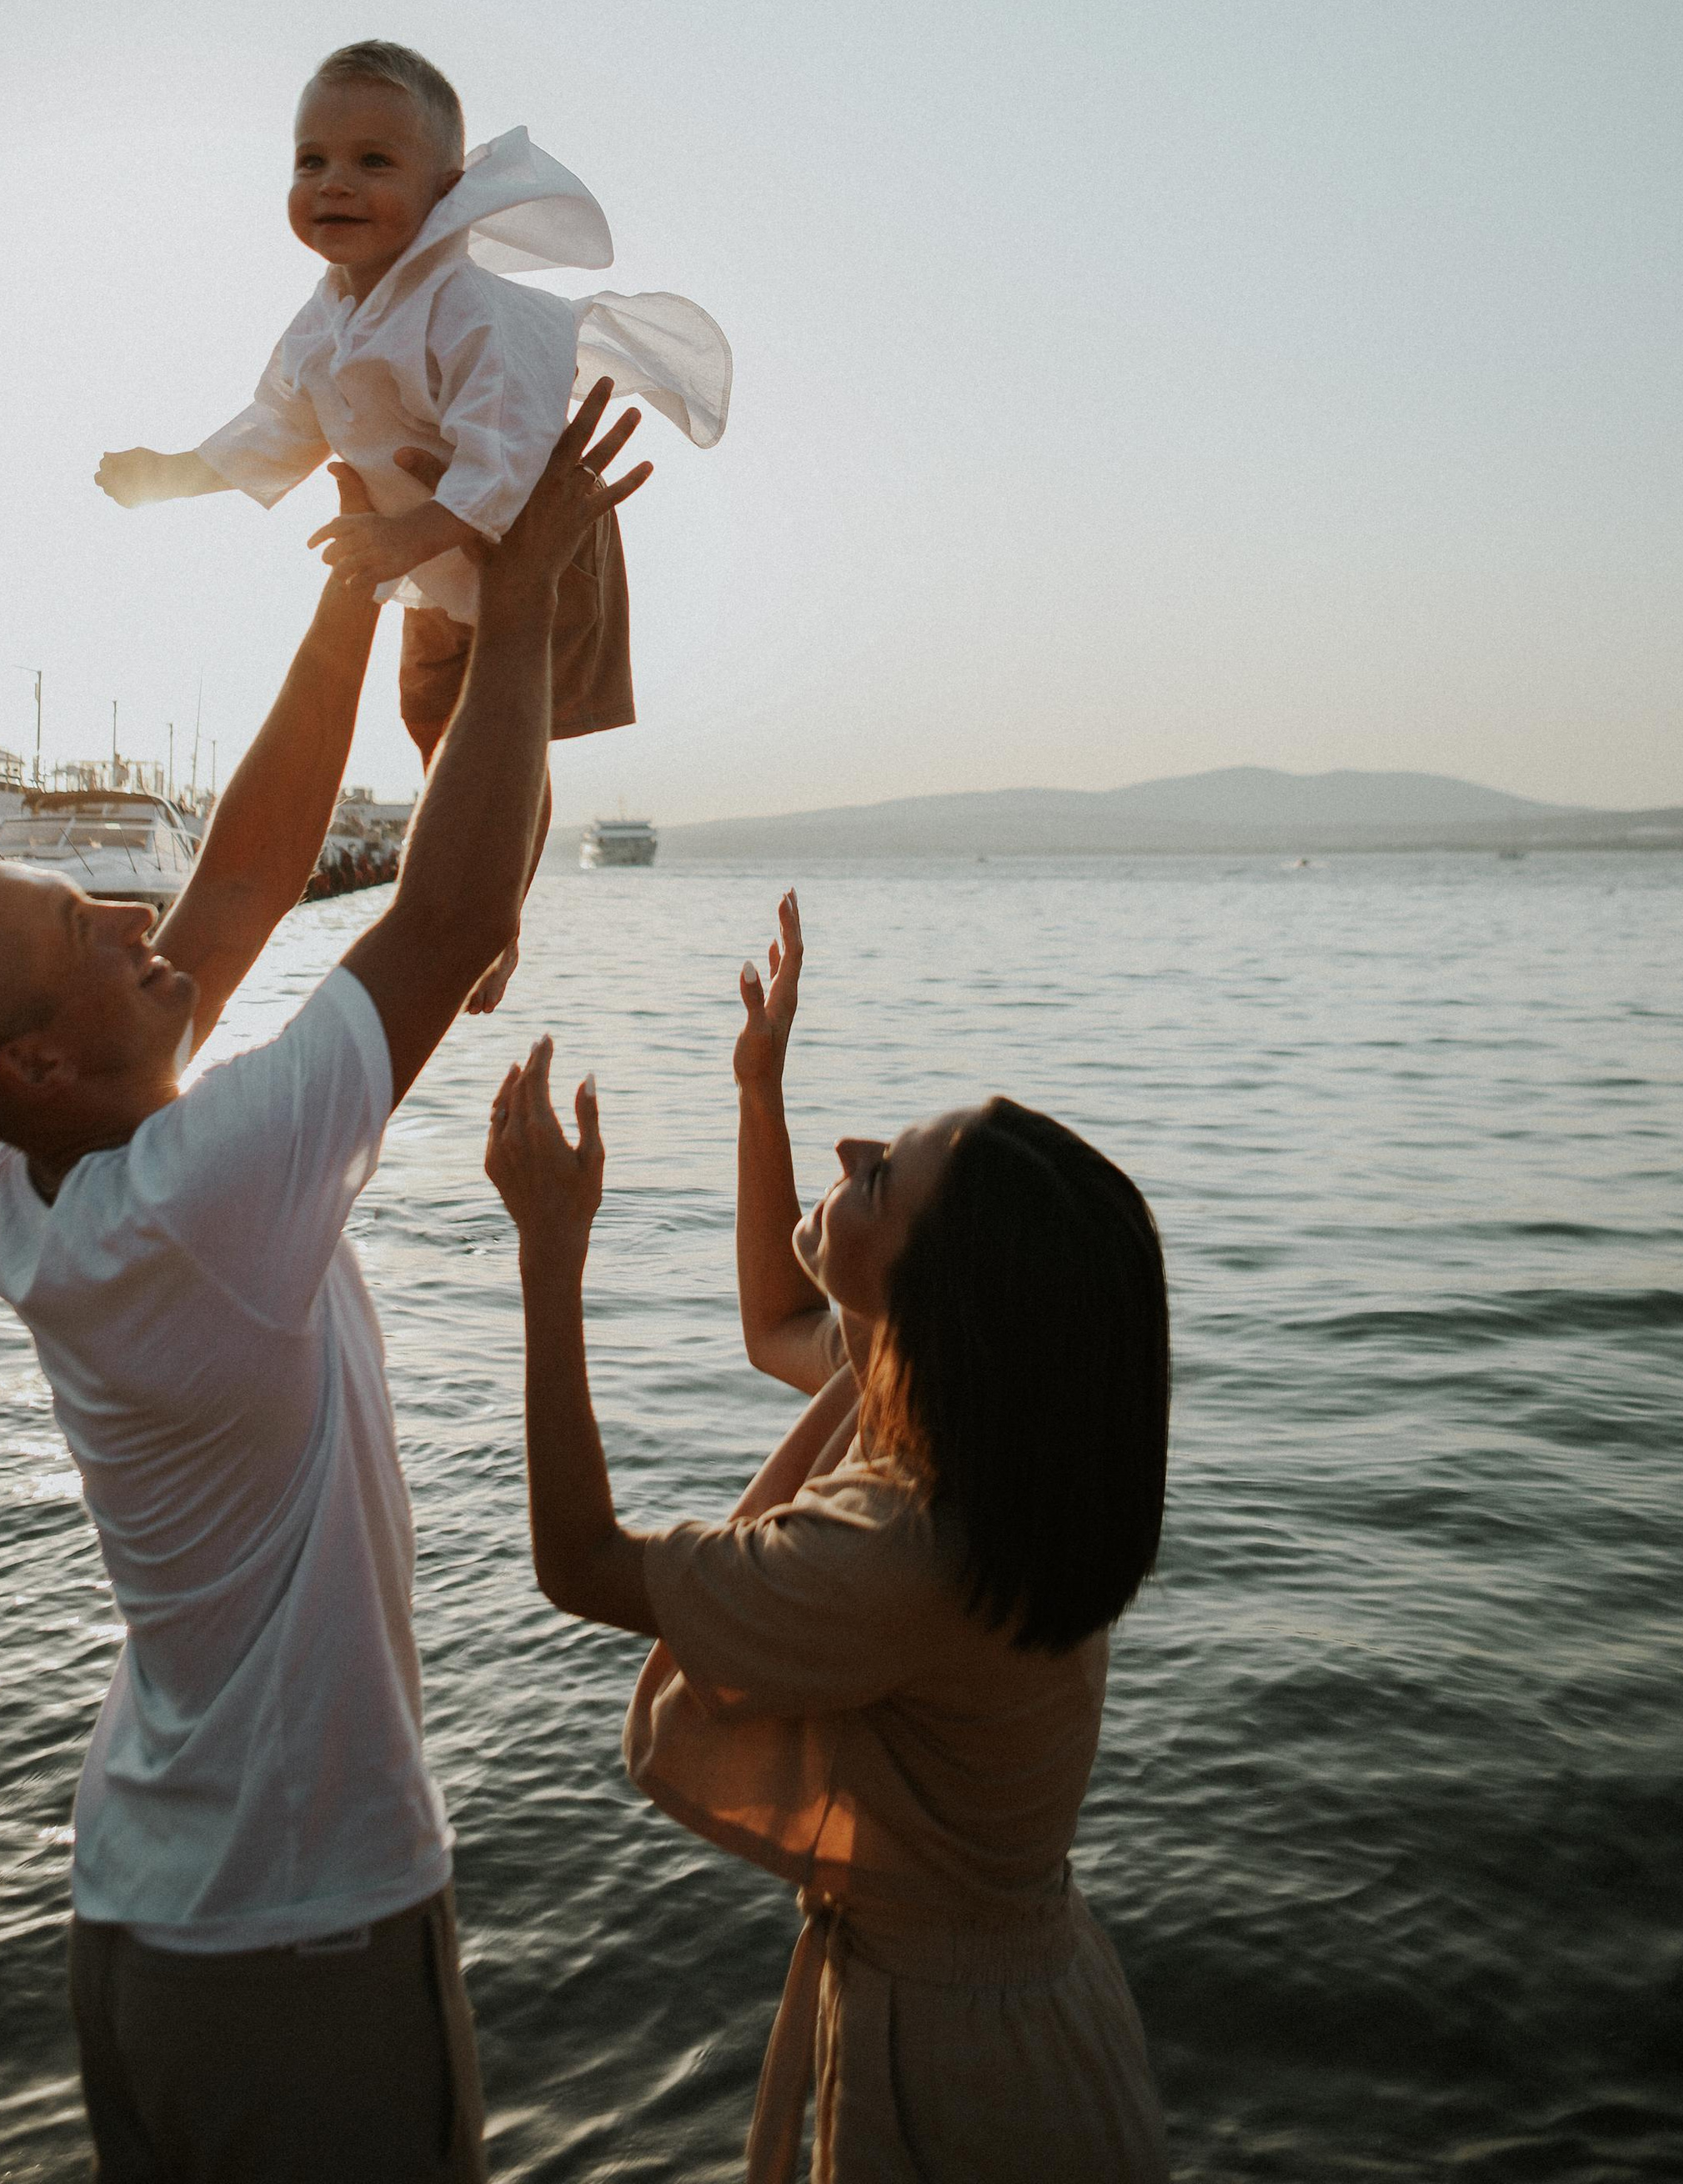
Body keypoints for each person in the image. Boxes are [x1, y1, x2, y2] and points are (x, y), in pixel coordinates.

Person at [0, 388, 650, 2184]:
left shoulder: (32, 1181)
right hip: (302, 1945)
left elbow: (250, 871)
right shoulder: (195, 1199)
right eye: (86, 932)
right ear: (38, 1058)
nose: (139, 922)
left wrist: (355, 584)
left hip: (144, 1929)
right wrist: (518, 602)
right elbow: (444, 922)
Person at [483, 893, 1171, 2182]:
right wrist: (760, 1091)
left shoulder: (902, 1549)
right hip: (1037, 2011)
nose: (852, 1146)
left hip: (963, 2074)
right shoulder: (961, 1425)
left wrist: (549, 1261)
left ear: (930, 1307)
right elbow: (773, 1323)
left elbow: (581, 1563)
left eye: (878, 1175)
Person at [95, 37, 729, 1007]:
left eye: (373, 161)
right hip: (430, 565)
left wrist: (413, 533)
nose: (333, 183)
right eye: (311, 160)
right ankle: (461, 893)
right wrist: (175, 474)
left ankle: (493, 923)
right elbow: (279, 426)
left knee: (503, 737)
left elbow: (510, 448)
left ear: (445, 192)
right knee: (437, 730)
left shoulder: (472, 306)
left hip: (532, 545)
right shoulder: (324, 320)